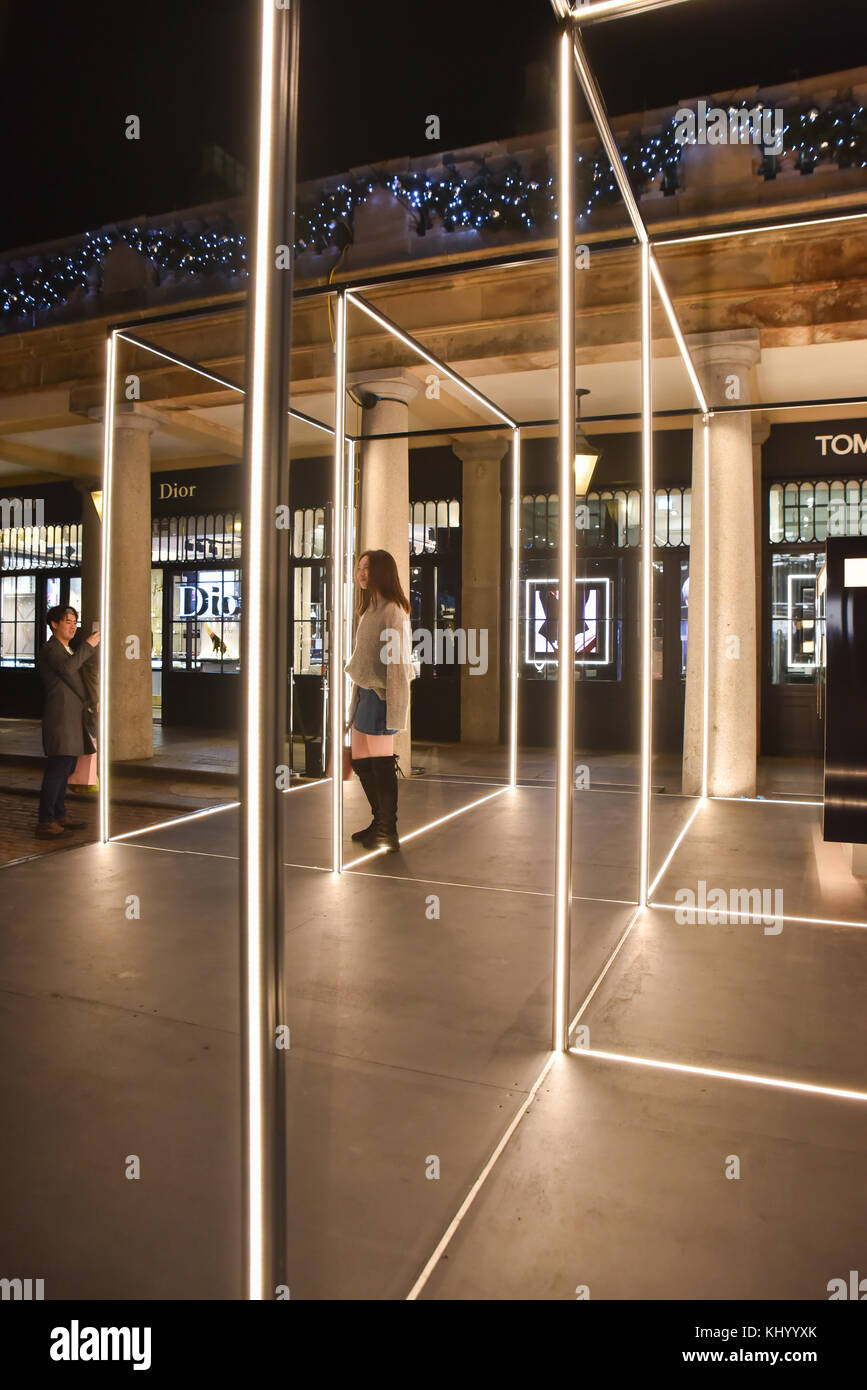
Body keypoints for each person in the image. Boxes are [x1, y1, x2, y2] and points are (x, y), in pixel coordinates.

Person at [344, 549, 414, 851]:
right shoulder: (368, 608)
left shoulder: (392, 610)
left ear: (382, 572)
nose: (361, 573)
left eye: (368, 569)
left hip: (381, 696)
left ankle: (389, 830)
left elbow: (397, 665)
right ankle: (379, 821)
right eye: (359, 568)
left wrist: (397, 712)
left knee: (382, 762)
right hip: (365, 693)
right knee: (360, 760)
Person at [35, 605, 100, 838]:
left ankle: (59, 814)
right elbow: (68, 670)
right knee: (58, 768)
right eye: (67, 621)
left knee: (66, 767)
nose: (73, 625)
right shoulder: (51, 649)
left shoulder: (67, 649)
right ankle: (46, 821)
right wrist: (88, 647)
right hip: (60, 719)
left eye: (74, 621)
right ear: (54, 624)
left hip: (73, 718)